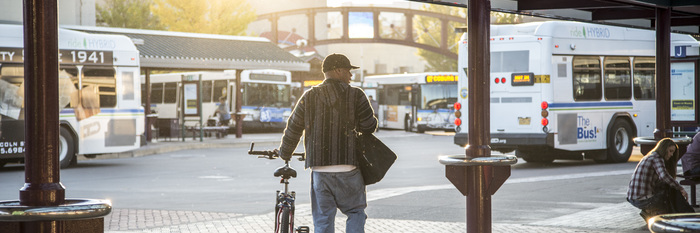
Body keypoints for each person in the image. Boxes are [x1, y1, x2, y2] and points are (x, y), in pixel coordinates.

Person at [276, 53, 378, 233]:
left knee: (323, 219)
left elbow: (293, 128)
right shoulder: (356, 95)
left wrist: (285, 153)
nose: (351, 76)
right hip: (349, 168)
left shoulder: (309, 97)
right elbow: (369, 126)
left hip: (319, 169)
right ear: (338, 71)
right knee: (355, 212)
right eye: (348, 71)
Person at [627, 138, 694, 222]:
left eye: (673, 152)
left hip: (634, 197)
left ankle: (652, 212)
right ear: (664, 149)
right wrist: (680, 188)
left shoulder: (651, 156)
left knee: (668, 186)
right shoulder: (657, 158)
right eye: (670, 151)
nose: (671, 155)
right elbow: (664, 176)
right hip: (641, 199)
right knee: (670, 189)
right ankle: (678, 214)